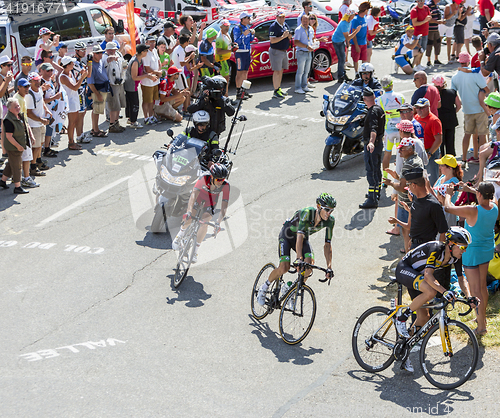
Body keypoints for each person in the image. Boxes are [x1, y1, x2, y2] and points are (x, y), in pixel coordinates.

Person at [393, 226, 472, 372]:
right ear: (451, 244)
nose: (463, 251)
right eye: (462, 247)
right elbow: (429, 275)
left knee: (424, 317)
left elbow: (462, 279)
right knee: (430, 291)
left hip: (418, 277)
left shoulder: (456, 257)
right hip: (405, 269)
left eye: (465, 248)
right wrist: (444, 291)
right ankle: (402, 318)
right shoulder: (437, 249)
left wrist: (470, 297)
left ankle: (404, 348)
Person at [256, 193, 336, 306]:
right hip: (287, 235)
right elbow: (299, 237)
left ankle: (290, 290)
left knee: (309, 266)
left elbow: (327, 245)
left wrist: (329, 267)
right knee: (284, 267)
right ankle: (264, 287)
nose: (329, 213)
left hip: (303, 238)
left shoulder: (330, 221)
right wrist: (299, 258)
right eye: (327, 210)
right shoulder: (307, 213)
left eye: (331, 211)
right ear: (318, 206)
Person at [444, 182, 498, 335]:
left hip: (472, 253)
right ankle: (482, 319)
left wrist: (448, 193)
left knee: (475, 291)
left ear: (479, 194)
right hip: (487, 251)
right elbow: (485, 197)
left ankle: (481, 328)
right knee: (482, 287)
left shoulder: (473, 210)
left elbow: (448, 208)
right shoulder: (494, 206)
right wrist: (470, 190)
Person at [172, 163, 230, 263]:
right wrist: (189, 211)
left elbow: (224, 206)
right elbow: (193, 195)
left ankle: (195, 251)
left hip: (210, 201)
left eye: (223, 179)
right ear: (212, 177)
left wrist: (218, 222)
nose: (221, 182)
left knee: (205, 223)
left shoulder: (226, 185)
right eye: (218, 180)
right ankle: (180, 235)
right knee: (190, 217)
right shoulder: (204, 178)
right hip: (198, 197)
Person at [385, 132, 424, 253]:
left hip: (406, 202)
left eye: (402, 149)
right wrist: (396, 175)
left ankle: (408, 253)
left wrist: (391, 183)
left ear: (410, 149)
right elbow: (406, 181)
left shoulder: (408, 164)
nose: (399, 151)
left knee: (407, 230)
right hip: (413, 201)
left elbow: (402, 187)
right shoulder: (416, 160)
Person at [451, 51, 489, 165]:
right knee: (482, 135)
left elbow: (454, 94)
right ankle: (482, 159)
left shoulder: (455, 77)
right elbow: (486, 89)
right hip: (480, 109)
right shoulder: (475, 74)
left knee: (467, 134)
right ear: (468, 61)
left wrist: (460, 104)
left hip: (467, 110)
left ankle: (463, 159)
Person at [359, 87, 385, 209]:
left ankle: (372, 199)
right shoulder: (379, 109)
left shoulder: (372, 112)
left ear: (364, 99)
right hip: (379, 144)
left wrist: (371, 143)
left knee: (371, 172)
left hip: (373, 146)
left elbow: (373, 129)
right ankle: (376, 193)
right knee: (377, 170)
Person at [377, 75, 405, 185]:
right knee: (401, 155)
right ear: (392, 84)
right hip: (400, 130)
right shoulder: (401, 96)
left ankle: (384, 179)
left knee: (387, 154)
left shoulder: (379, 99)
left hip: (388, 130)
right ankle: (400, 178)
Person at [0, 98, 31, 194]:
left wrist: (31, 137)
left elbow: (26, 126)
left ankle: (2, 181)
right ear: (9, 109)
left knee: (11, 163)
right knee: (17, 166)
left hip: (18, 145)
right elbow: (9, 137)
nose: (18, 108)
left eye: (18, 106)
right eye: (15, 107)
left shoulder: (18, 115)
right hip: (13, 147)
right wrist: (18, 146)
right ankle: (17, 187)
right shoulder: (8, 120)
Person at [13, 78, 39, 189]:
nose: (27, 88)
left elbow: (24, 118)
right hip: (20, 133)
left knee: (22, 158)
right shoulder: (17, 99)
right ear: (19, 87)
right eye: (25, 87)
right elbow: (18, 117)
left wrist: (30, 134)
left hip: (23, 131)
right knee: (25, 157)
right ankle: (26, 179)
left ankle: (14, 179)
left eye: (28, 86)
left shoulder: (22, 98)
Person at [59, 56, 89, 150]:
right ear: (67, 65)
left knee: (74, 122)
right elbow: (75, 87)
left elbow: (76, 84)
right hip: (70, 102)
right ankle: (71, 143)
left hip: (74, 100)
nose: (73, 64)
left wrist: (81, 76)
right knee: (72, 123)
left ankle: (73, 142)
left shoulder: (70, 73)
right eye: (72, 63)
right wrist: (83, 77)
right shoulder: (63, 77)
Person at [124, 44, 156, 129]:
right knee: (134, 104)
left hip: (133, 85)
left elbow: (141, 72)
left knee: (132, 103)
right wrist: (147, 76)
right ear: (142, 52)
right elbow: (134, 77)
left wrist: (149, 75)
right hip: (131, 85)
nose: (147, 52)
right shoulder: (135, 61)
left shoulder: (140, 59)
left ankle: (131, 119)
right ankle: (133, 122)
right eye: (146, 51)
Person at [25, 72, 51, 178]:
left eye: (38, 80)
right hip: (34, 124)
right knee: (35, 147)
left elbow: (41, 102)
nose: (37, 82)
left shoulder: (39, 89)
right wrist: (41, 119)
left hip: (40, 122)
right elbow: (29, 113)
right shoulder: (29, 95)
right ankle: (33, 167)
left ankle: (38, 162)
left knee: (40, 144)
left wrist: (46, 110)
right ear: (30, 82)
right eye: (35, 80)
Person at [414, 98, 443, 186]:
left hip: (430, 152)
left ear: (427, 108)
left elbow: (438, 140)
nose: (418, 110)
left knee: (432, 178)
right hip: (419, 152)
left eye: (421, 108)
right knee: (420, 177)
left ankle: (435, 197)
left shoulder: (434, 120)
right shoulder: (416, 117)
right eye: (417, 107)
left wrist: (430, 153)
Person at [432, 74, 461, 156]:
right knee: (450, 142)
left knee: (440, 142)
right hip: (451, 119)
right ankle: (451, 161)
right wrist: (452, 112)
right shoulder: (452, 92)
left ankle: (441, 161)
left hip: (439, 120)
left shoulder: (434, 94)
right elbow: (459, 106)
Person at [433, 154, 463, 227]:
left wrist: (427, 186)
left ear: (449, 168)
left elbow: (440, 199)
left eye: (442, 165)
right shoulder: (443, 176)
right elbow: (434, 189)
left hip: (448, 215)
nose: (439, 167)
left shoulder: (453, 182)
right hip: (438, 212)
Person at [87, 45, 111, 137]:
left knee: (97, 110)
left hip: (103, 88)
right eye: (98, 53)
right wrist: (97, 94)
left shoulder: (100, 61)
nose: (100, 54)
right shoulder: (91, 65)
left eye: (101, 52)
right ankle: (96, 130)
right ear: (94, 54)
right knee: (96, 111)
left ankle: (94, 129)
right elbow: (90, 83)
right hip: (97, 90)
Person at [331, 9, 360, 83]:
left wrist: (347, 42)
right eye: (353, 15)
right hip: (337, 41)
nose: (354, 16)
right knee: (341, 59)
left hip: (341, 40)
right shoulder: (344, 23)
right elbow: (348, 37)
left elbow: (347, 36)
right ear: (350, 16)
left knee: (343, 59)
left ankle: (342, 74)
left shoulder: (349, 22)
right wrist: (356, 31)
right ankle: (341, 76)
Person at [103, 42, 126, 133]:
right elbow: (105, 62)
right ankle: (112, 125)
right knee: (113, 106)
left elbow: (123, 63)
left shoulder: (119, 54)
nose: (113, 52)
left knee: (118, 105)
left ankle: (116, 123)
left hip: (120, 82)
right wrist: (110, 58)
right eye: (111, 50)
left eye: (114, 50)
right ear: (107, 50)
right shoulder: (105, 57)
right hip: (112, 84)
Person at [269, 11, 292, 98]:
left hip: (283, 50)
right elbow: (272, 40)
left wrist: (289, 36)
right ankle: (275, 91)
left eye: (283, 17)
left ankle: (278, 88)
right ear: (276, 17)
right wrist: (283, 36)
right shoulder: (273, 27)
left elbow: (289, 35)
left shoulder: (285, 24)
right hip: (276, 51)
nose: (281, 18)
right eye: (280, 17)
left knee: (281, 70)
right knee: (277, 71)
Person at [72, 42, 91, 144]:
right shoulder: (75, 62)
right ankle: (79, 135)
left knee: (82, 112)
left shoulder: (80, 61)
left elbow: (87, 74)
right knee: (80, 113)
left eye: (85, 50)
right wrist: (89, 63)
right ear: (77, 51)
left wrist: (89, 62)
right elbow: (87, 74)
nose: (84, 52)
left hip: (83, 87)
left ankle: (81, 134)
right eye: (82, 50)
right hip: (78, 90)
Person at [233, 12, 254, 100]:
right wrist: (243, 35)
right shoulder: (237, 28)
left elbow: (250, 40)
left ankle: (244, 90)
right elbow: (236, 41)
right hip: (240, 52)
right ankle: (238, 91)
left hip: (247, 52)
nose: (249, 20)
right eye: (248, 18)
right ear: (243, 19)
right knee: (239, 72)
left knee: (245, 71)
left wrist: (252, 34)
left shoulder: (247, 27)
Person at [142, 36, 162, 125]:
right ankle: (146, 118)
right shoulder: (146, 53)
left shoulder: (154, 51)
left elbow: (159, 62)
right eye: (150, 42)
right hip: (148, 81)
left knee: (152, 100)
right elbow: (146, 68)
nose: (152, 44)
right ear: (146, 43)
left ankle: (151, 116)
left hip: (155, 80)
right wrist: (157, 72)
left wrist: (159, 71)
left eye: (154, 42)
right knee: (146, 100)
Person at [294, 14, 315, 94]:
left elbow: (311, 40)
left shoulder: (311, 29)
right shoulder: (298, 29)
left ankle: (304, 86)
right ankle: (297, 87)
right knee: (300, 71)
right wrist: (306, 46)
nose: (305, 22)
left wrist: (316, 43)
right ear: (301, 21)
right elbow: (296, 42)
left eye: (306, 20)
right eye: (304, 20)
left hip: (308, 52)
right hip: (301, 52)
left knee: (306, 71)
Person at [350, 2, 370, 74]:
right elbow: (353, 34)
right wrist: (356, 45)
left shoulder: (365, 17)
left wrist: (367, 40)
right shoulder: (355, 19)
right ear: (365, 10)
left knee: (364, 59)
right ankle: (356, 73)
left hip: (364, 42)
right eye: (367, 9)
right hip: (357, 43)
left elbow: (365, 29)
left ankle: (363, 73)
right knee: (356, 59)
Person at [410, 0, 432, 70]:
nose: (421, 2)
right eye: (419, 0)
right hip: (417, 34)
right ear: (417, 1)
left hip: (425, 33)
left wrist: (429, 18)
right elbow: (415, 23)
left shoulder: (426, 8)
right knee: (417, 51)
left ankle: (418, 64)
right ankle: (415, 66)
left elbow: (429, 17)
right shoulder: (414, 10)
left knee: (422, 50)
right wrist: (425, 21)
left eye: (422, 0)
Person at [215, 19, 233, 95]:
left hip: (226, 59)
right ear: (221, 27)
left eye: (228, 26)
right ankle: (225, 97)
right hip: (222, 60)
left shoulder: (226, 33)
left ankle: (225, 96)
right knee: (225, 80)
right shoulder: (219, 37)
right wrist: (231, 50)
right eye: (225, 26)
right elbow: (219, 51)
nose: (227, 28)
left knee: (227, 79)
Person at [426, 0, 444, 67]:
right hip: (430, 29)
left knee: (438, 43)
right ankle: (428, 61)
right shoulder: (429, 5)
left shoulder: (436, 5)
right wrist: (438, 22)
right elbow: (428, 19)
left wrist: (440, 21)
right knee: (429, 44)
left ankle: (436, 59)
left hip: (436, 28)